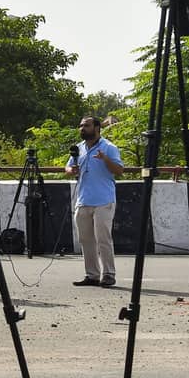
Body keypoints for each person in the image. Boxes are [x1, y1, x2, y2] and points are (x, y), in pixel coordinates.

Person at [66, 116, 124, 288]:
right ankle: (92, 275)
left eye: (86, 125)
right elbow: (68, 167)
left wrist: (105, 159)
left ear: (97, 128)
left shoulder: (109, 147)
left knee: (103, 239)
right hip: (83, 200)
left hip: (103, 200)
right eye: (81, 125)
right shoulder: (78, 148)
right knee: (85, 239)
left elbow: (120, 170)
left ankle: (108, 274)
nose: (82, 128)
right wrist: (71, 170)